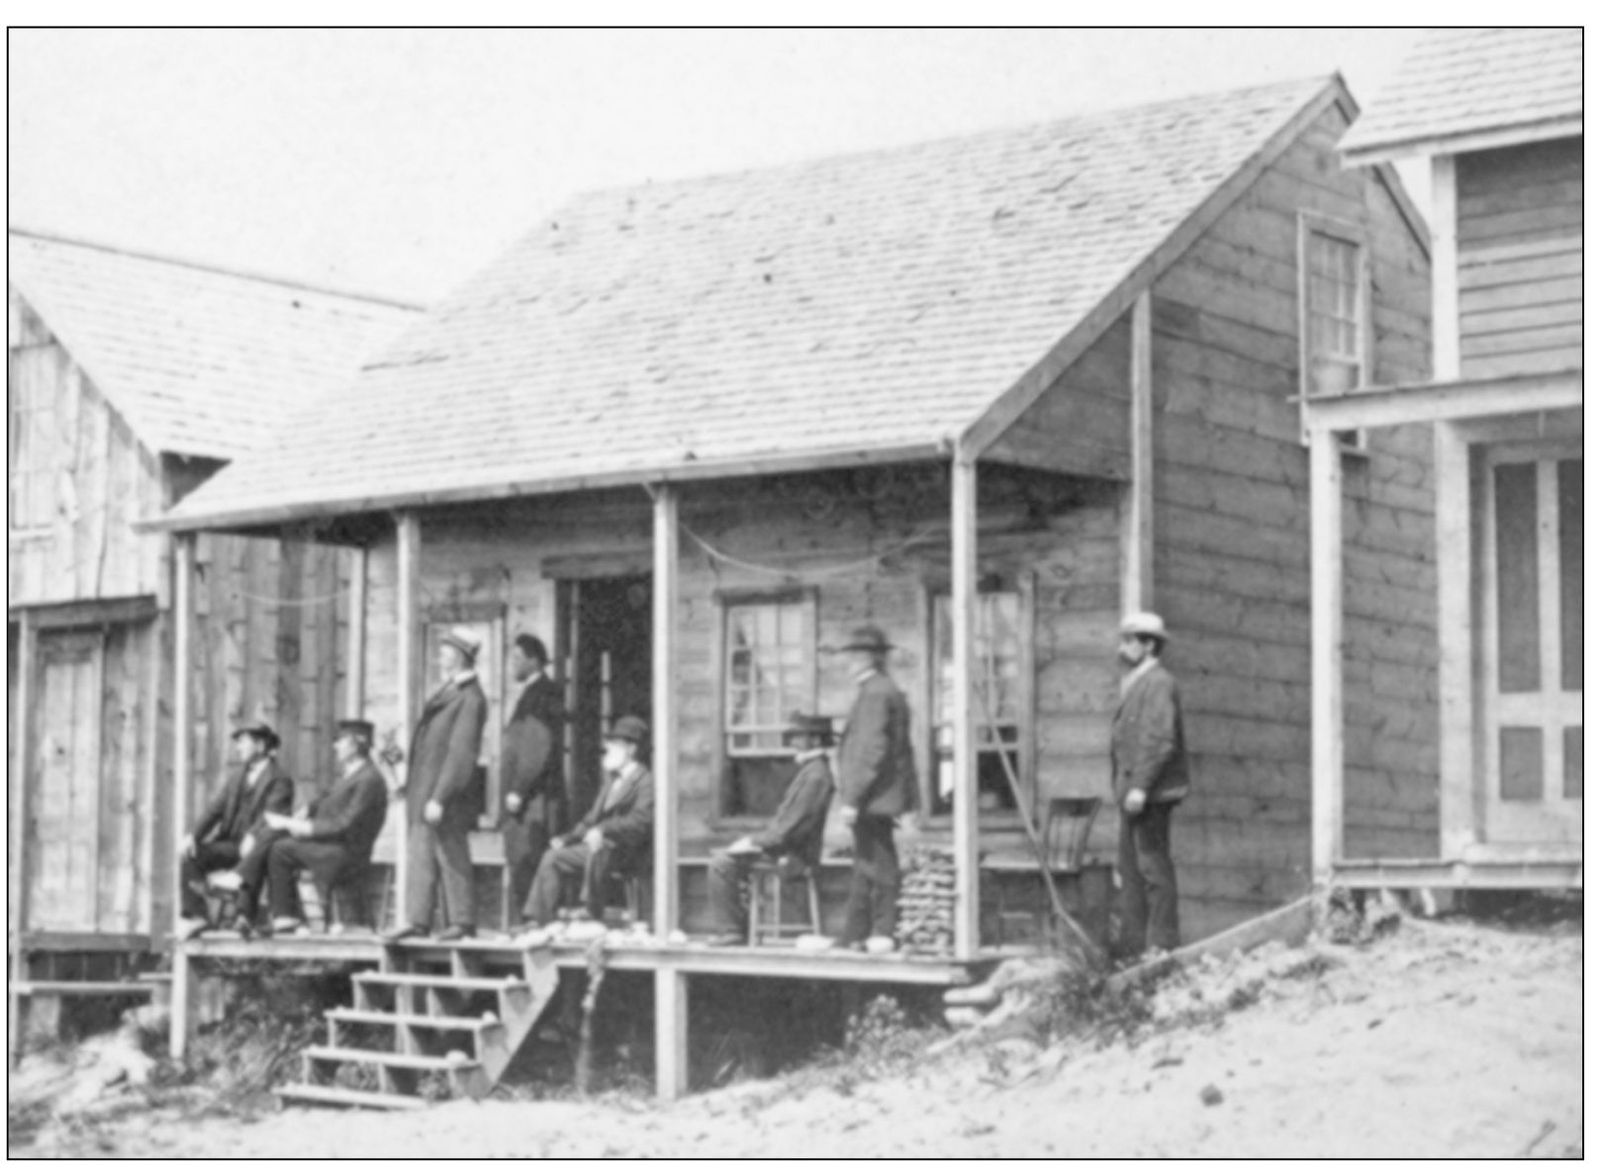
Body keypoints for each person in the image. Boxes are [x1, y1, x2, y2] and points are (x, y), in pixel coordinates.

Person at [384, 628, 489, 943]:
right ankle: (418, 920)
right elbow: (434, 745)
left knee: (451, 852)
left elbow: (461, 754)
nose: (439, 656)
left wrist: (441, 796)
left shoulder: (470, 698)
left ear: (458, 656)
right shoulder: (449, 691)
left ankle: (462, 921)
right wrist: (403, 757)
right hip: (424, 789)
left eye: (444, 651)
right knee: (421, 852)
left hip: (446, 794)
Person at [706, 712, 837, 946]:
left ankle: (732, 930)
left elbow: (791, 829)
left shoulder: (816, 775)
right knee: (728, 855)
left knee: (721, 863)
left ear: (816, 741)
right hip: (786, 848)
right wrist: (754, 840)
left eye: (800, 737)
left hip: (794, 855)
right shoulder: (811, 771)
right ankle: (740, 926)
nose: (794, 743)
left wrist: (754, 842)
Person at [249, 720, 390, 935]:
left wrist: (299, 826)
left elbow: (345, 824)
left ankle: (286, 916)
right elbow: (327, 797)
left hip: (348, 854)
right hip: (334, 847)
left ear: (356, 745)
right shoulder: (352, 774)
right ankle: (284, 915)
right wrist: (307, 809)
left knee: (280, 850)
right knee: (276, 842)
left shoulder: (369, 780)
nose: (335, 746)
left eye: (340, 741)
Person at [518, 715, 653, 933]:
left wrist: (603, 829)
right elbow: (592, 817)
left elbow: (641, 821)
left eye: (615, 744)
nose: (608, 748)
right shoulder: (612, 779)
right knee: (552, 857)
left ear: (631, 749)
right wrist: (567, 838)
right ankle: (539, 918)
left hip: (629, 849)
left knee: (597, 848)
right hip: (600, 846)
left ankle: (590, 911)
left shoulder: (646, 780)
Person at [1111, 611, 1191, 957]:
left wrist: (1141, 786)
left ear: (1148, 645)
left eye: (1130, 641)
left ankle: (1162, 943)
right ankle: (1136, 948)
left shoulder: (1158, 682)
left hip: (1150, 795)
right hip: (1133, 794)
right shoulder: (1139, 681)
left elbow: (1160, 739)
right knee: (1132, 870)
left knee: (1153, 867)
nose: (1123, 647)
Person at [834, 625, 917, 952]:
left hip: (874, 796)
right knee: (866, 861)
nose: (848, 661)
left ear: (870, 657)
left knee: (878, 863)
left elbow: (872, 750)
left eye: (855, 654)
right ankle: (856, 932)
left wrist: (853, 798)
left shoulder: (877, 692)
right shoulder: (878, 689)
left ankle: (884, 930)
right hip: (876, 795)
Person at [176, 722, 294, 939]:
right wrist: (193, 835)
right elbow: (215, 810)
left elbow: (273, 817)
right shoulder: (237, 776)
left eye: (242, 742)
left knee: (255, 852)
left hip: (261, 847)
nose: (237, 748)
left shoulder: (280, 779)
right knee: (190, 855)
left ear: (259, 745)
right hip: (232, 844)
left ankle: (244, 917)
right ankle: (196, 916)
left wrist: (253, 834)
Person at [500, 634, 567, 916]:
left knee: (528, 856)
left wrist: (518, 788)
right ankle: (528, 920)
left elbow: (536, 747)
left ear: (534, 660)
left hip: (535, 798)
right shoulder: (533, 692)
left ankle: (533, 921)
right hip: (529, 797)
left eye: (517, 659)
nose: (511, 665)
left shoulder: (543, 693)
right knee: (521, 856)